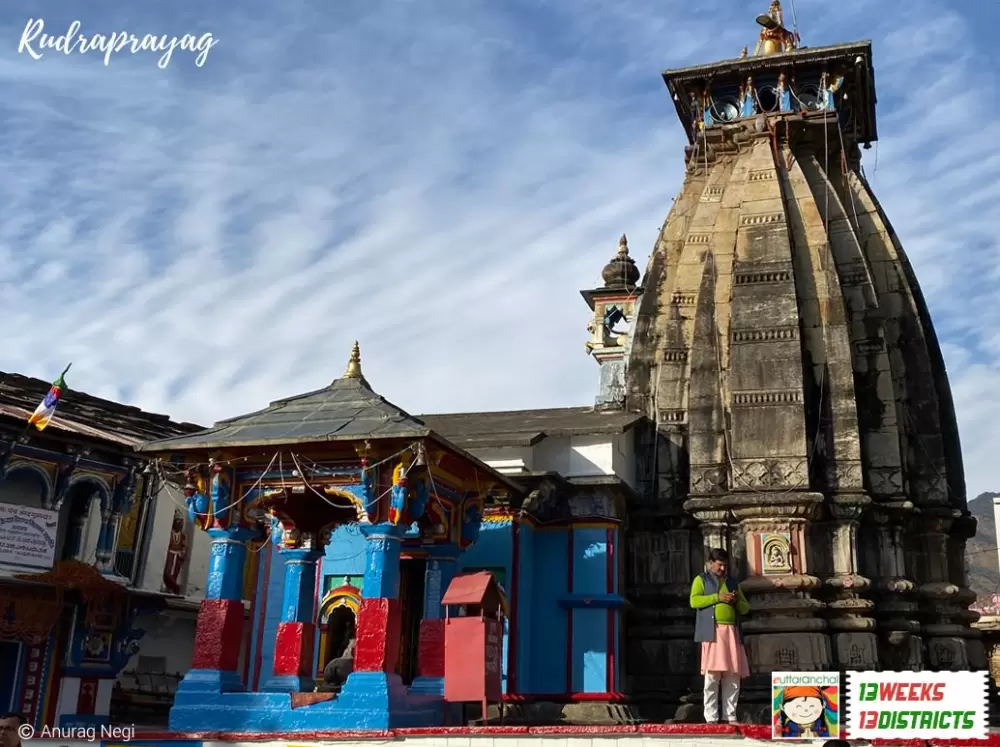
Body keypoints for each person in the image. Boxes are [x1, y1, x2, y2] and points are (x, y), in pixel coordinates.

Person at [690, 548, 750, 724]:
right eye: (719, 565)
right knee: (712, 676)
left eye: (725, 565)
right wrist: (718, 597)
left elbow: (746, 609)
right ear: (710, 563)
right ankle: (711, 717)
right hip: (712, 632)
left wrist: (736, 599)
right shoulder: (701, 579)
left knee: (733, 676)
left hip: (731, 632)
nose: (722, 569)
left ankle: (730, 715)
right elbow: (694, 601)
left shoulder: (733, 582)